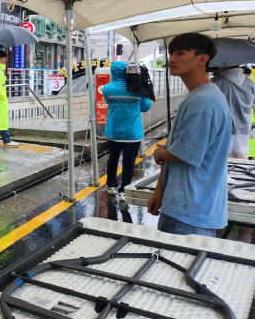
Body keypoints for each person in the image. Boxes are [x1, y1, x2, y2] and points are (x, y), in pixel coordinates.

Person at [147, 33, 230, 237]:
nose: (172, 59)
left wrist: (160, 154)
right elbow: (176, 148)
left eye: (181, 53)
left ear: (202, 59)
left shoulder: (202, 102)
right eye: (171, 53)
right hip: (191, 205)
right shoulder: (203, 96)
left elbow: (184, 154)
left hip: (188, 211)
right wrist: (160, 191)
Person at [101, 61, 152, 202]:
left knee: (113, 159)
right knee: (129, 162)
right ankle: (124, 190)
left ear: (113, 72)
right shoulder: (137, 88)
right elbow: (146, 107)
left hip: (114, 132)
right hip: (132, 134)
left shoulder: (107, 89)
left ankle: (111, 186)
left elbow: (109, 103)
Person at [211, 65, 255, 159]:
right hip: (243, 131)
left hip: (219, 132)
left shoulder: (214, 82)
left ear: (224, 65)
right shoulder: (250, 83)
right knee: (240, 167)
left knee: (218, 166)